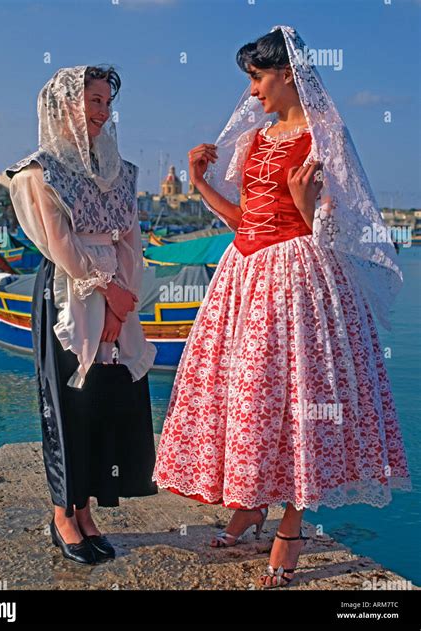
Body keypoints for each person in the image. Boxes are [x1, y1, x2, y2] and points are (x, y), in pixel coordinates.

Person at [152, 26, 412, 588]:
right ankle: (252, 501)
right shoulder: (261, 136)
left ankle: (291, 522)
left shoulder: (326, 136)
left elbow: (351, 228)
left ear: (288, 75)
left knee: (300, 398)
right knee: (252, 398)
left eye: (257, 77)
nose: (251, 92)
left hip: (300, 277)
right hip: (245, 274)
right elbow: (247, 219)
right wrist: (199, 184)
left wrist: (305, 205)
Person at [5, 65, 158, 565]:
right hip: (72, 293)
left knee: (105, 402)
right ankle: (62, 515)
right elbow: (59, 242)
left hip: (116, 296)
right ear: (67, 106)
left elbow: (131, 239)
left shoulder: (119, 169)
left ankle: (88, 509)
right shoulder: (39, 171)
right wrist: (105, 290)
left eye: (105, 102)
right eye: (94, 101)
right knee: (68, 401)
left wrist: (123, 299)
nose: (103, 111)